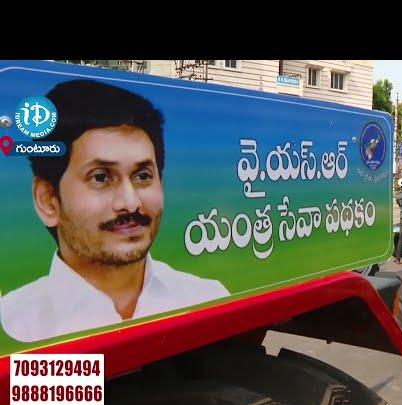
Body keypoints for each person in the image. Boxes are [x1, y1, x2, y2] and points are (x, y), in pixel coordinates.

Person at [0, 80, 230, 343]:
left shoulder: (206, 297)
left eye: (143, 176)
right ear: (48, 200)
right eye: (100, 178)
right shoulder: (15, 324)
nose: (130, 203)